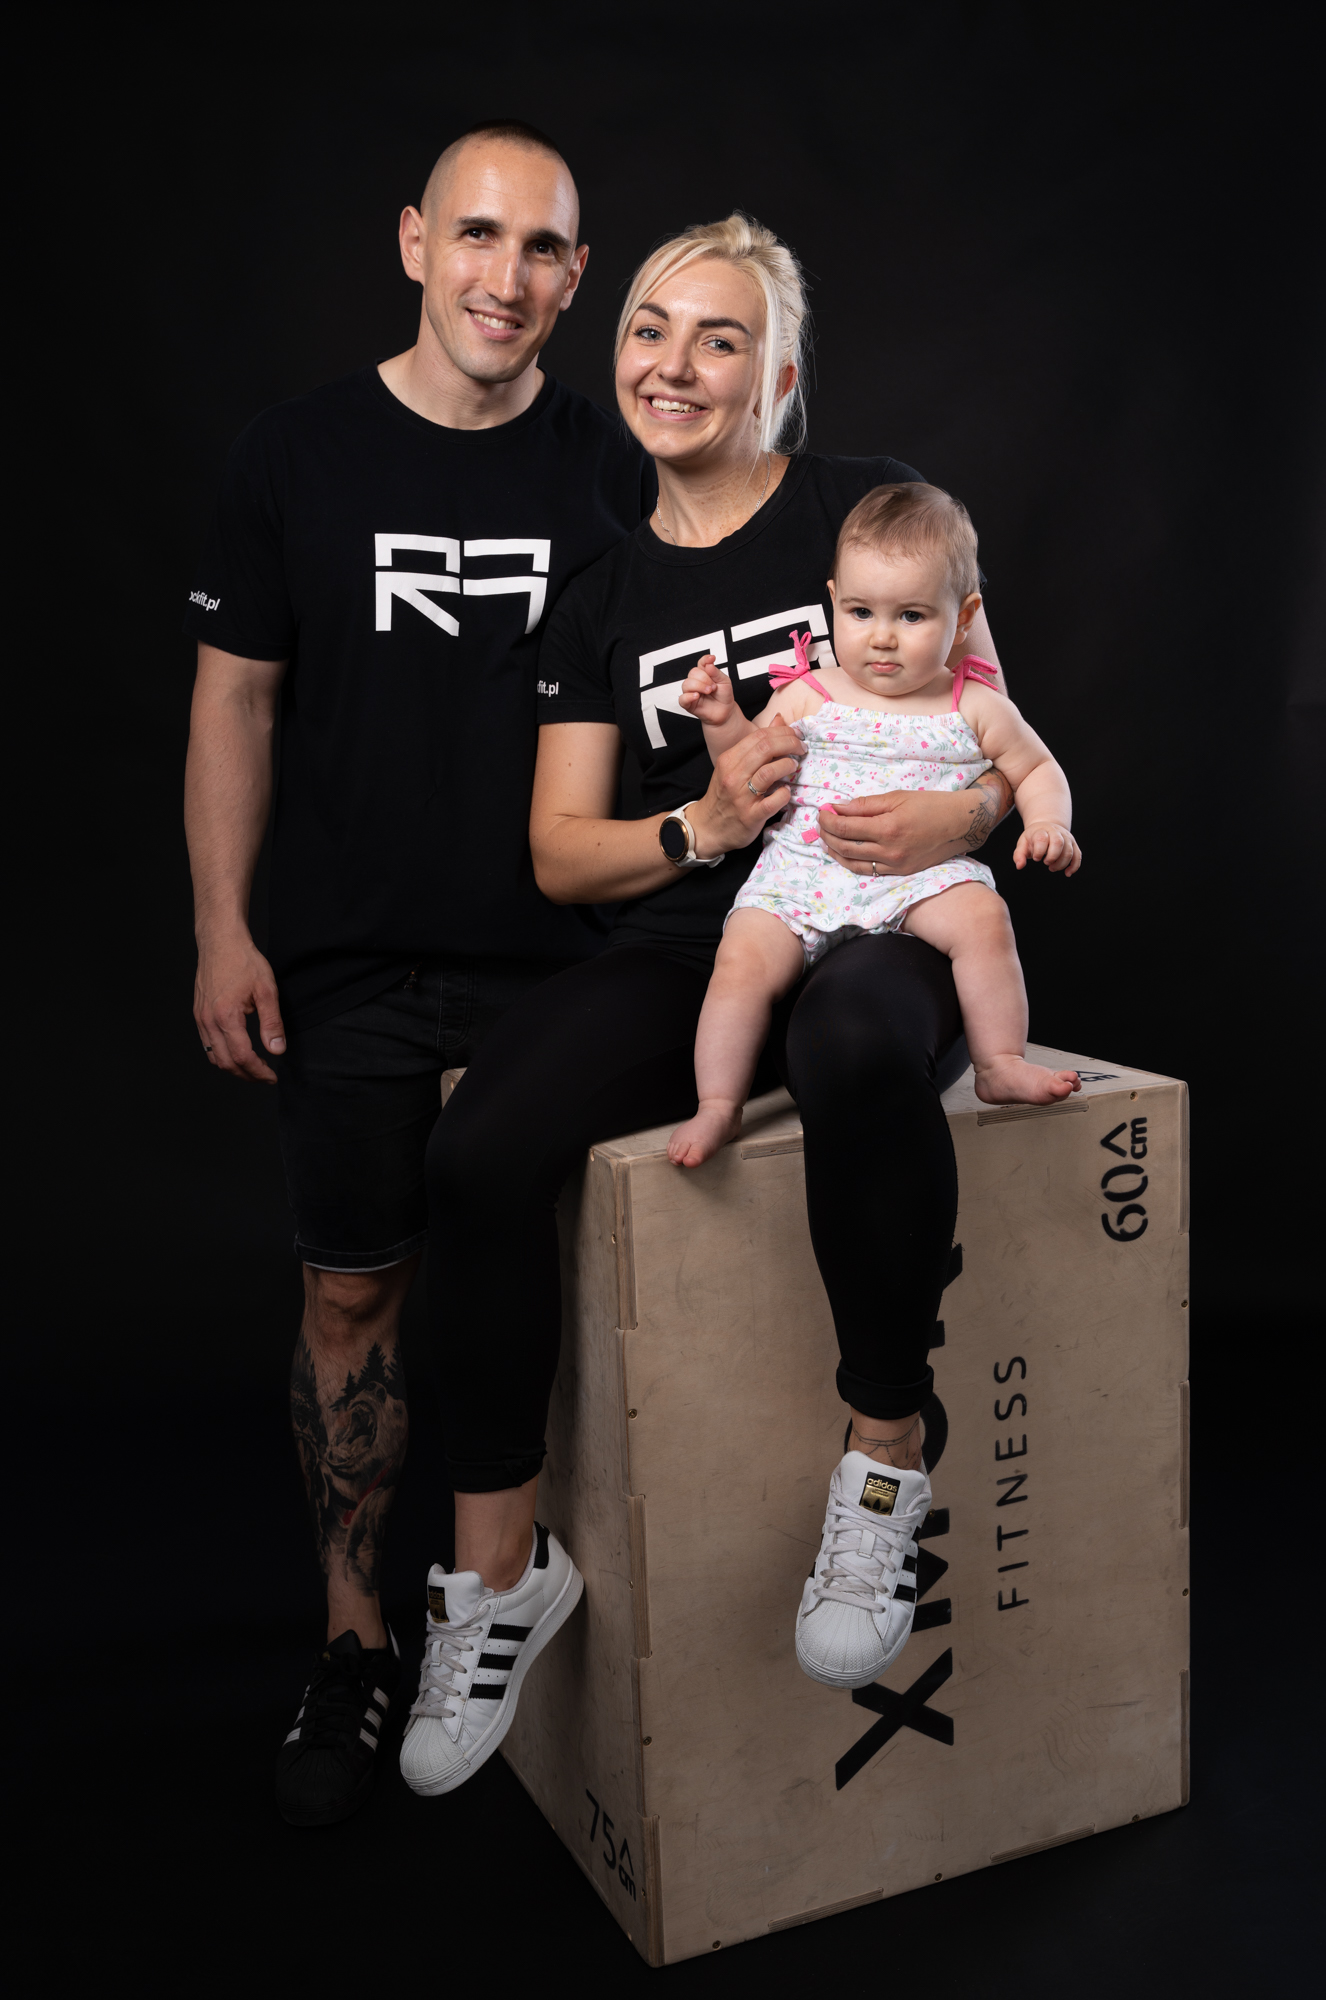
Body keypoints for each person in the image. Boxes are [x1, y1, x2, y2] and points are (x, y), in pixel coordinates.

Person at [397, 213, 1017, 1798]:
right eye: (649, 330)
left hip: (884, 912)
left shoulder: (865, 507)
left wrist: (958, 821)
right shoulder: (597, 595)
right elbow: (560, 855)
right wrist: (703, 824)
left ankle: (885, 1464)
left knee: (853, 1038)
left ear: (776, 377)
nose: (673, 365)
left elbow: (997, 732)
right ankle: (499, 1573)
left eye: (719, 338)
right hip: (703, 932)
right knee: (475, 1152)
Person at [182, 120, 655, 1827]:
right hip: (351, 961)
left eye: (540, 249)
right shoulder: (294, 454)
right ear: (410, 243)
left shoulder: (615, 466)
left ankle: (520, 1617)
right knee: (353, 1299)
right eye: (474, 235)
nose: (502, 278)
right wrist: (221, 926)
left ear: (575, 278)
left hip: (564, 965)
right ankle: (355, 1638)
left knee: (555, 1297)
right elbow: (236, 698)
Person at [666, 480, 1082, 1172]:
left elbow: (1037, 769)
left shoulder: (974, 704)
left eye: (912, 615)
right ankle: (718, 1101)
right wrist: (721, 719)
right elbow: (748, 767)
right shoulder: (809, 693)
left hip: (917, 877)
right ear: (834, 601)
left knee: (984, 920)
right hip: (802, 872)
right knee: (739, 962)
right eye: (860, 612)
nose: (882, 638)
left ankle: (999, 1061)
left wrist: (1049, 824)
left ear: (963, 615)